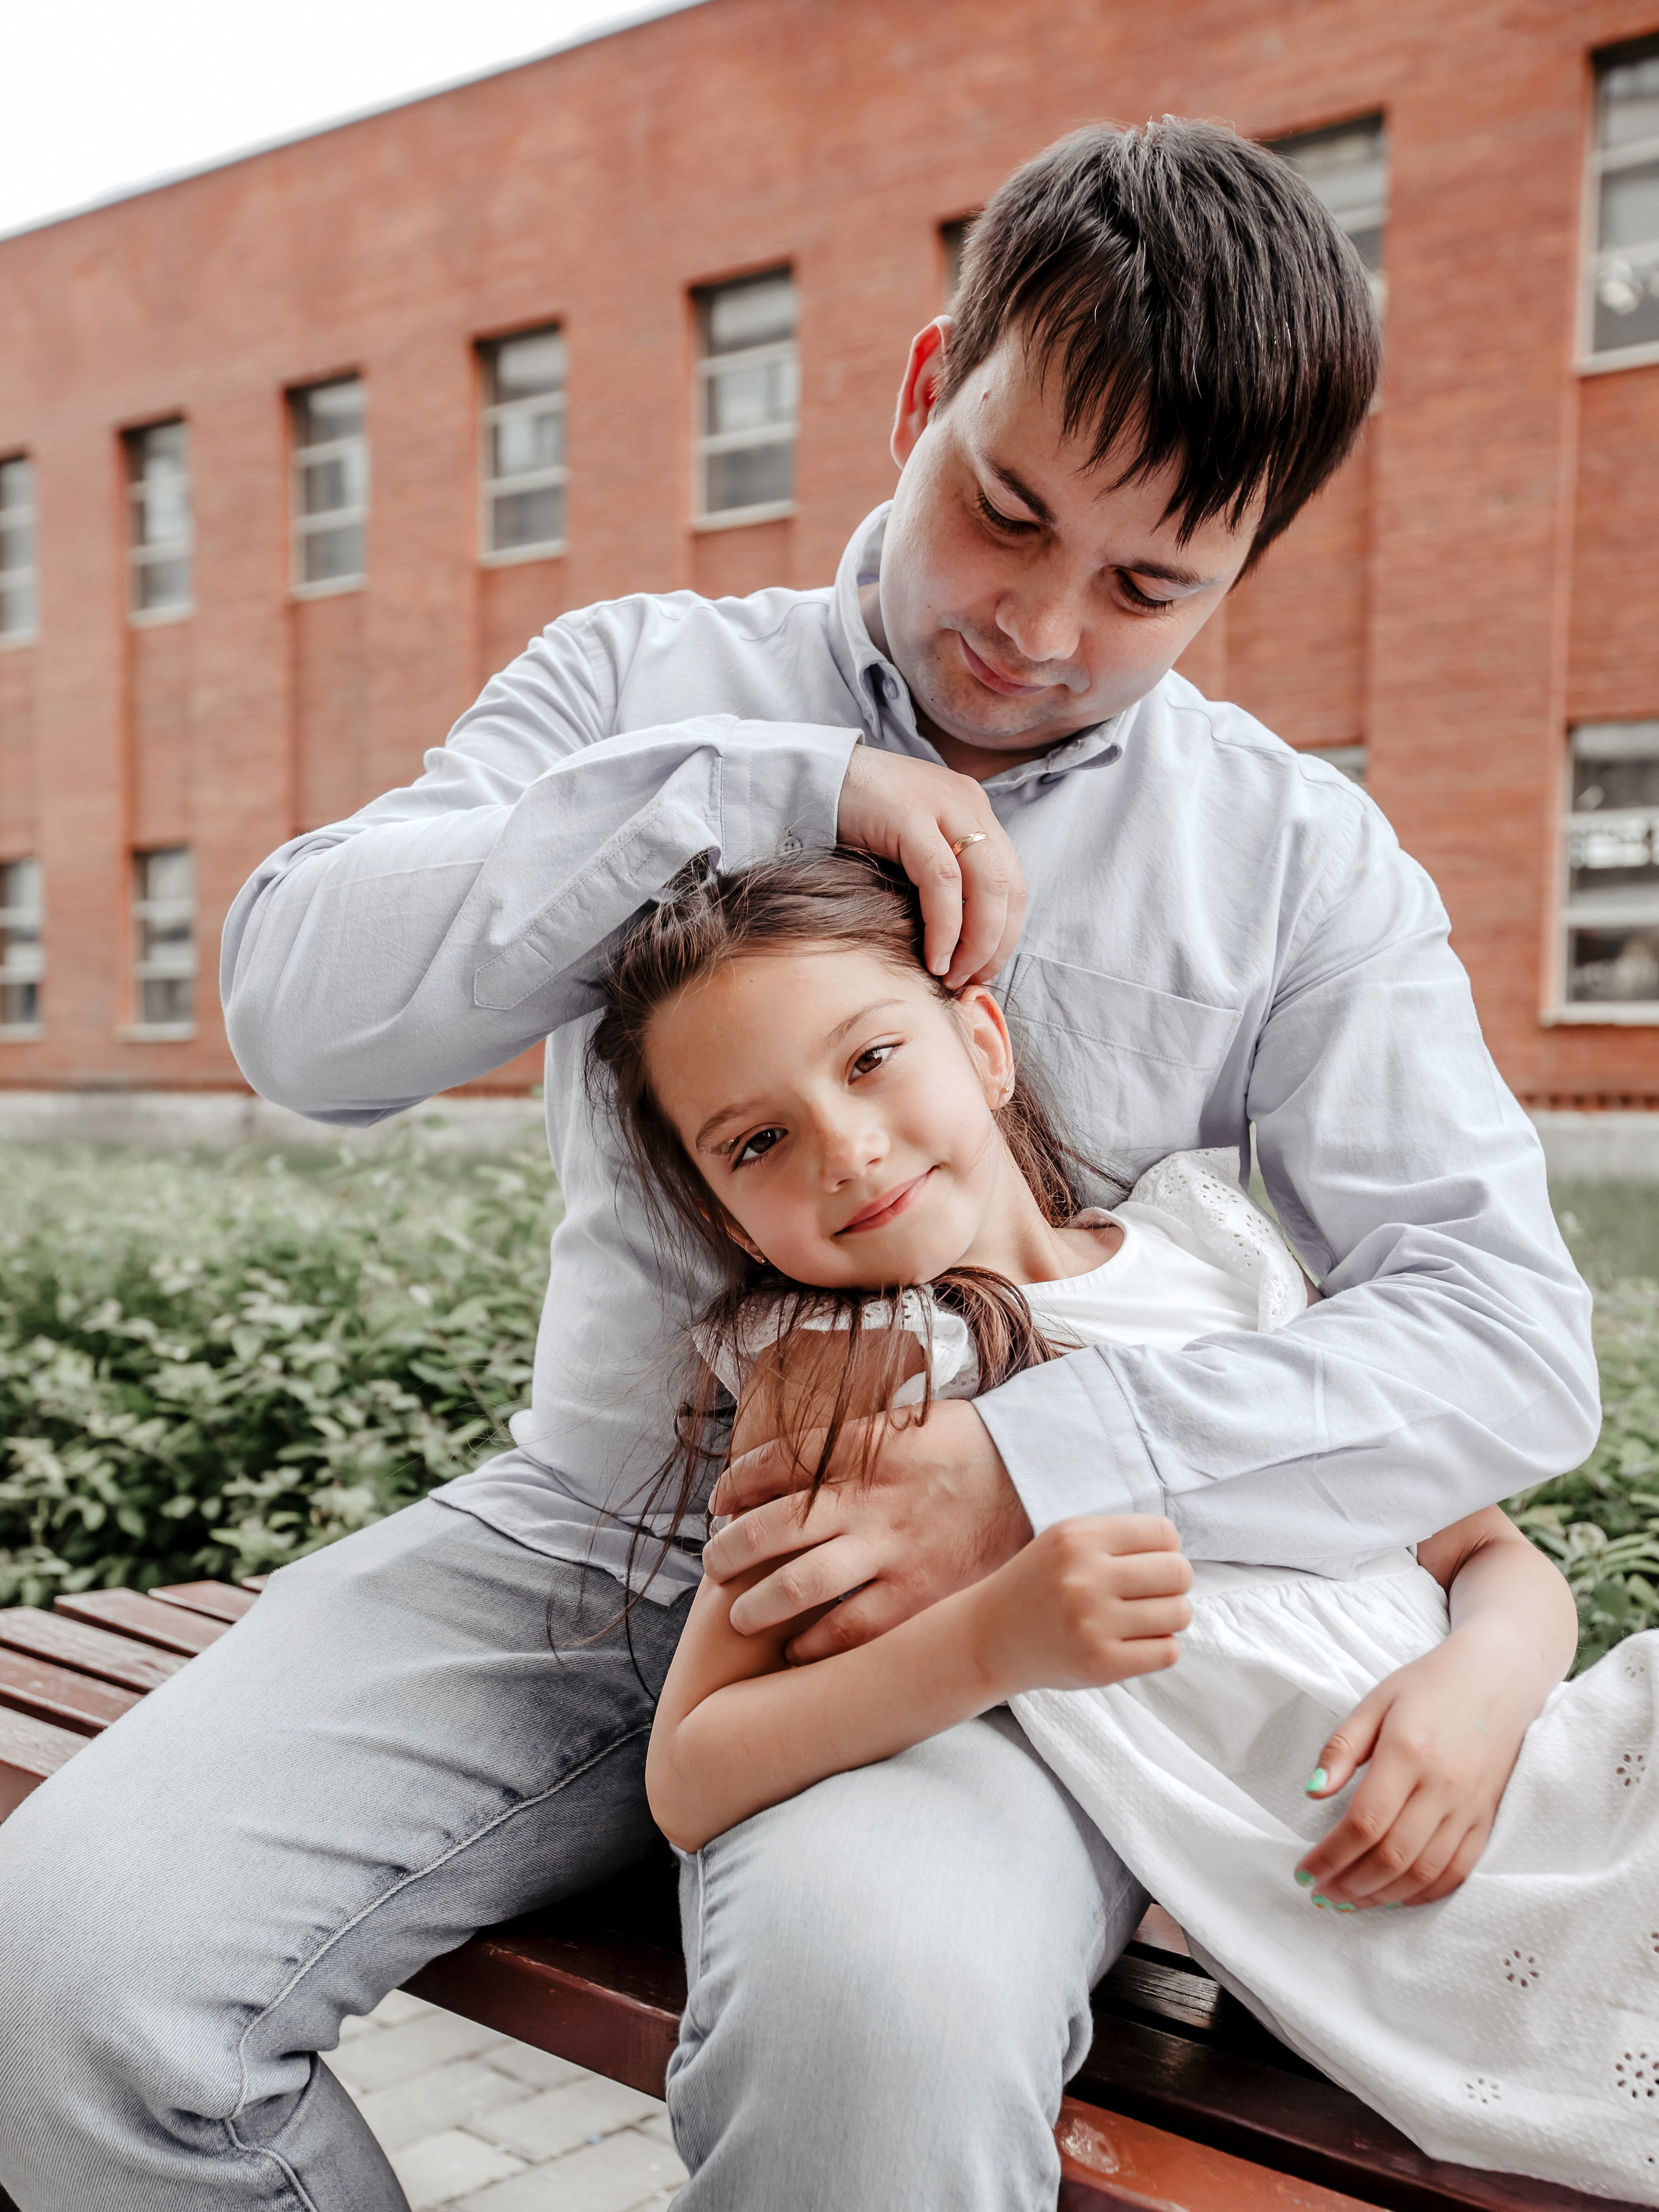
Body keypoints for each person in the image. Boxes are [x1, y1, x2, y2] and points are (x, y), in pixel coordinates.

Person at [0, 120, 1598, 2212]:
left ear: (1251, 562)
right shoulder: (639, 693)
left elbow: (1506, 1345)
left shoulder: (1301, 866)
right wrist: (755, 787)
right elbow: (302, 1018)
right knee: (59, 1980)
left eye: (1147, 584)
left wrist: (1029, 1470)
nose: (1034, 628)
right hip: (570, 1554)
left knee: (877, 2040)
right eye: (1003, 513)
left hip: (978, 1647)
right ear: (927, 389)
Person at [595, 846, 1656, 2207]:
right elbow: (694, 1768)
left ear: (981, 1039)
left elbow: (1489, 1555)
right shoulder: (856, 1378)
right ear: (718, 1209)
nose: (843, 1146)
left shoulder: (1210, 1251)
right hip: (1411, 1899)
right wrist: (994, 1641)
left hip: (1544, 1758)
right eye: (757, 1142)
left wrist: (1478, 1689)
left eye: (867, 1061)